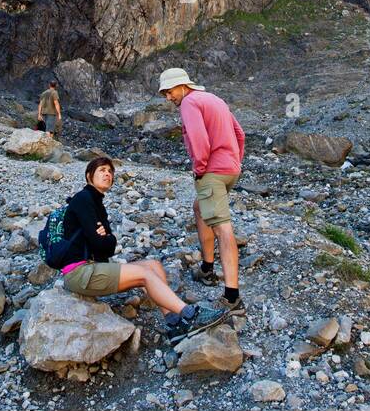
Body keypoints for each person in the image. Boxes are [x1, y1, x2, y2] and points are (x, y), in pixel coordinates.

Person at [54, 157, 227, 345]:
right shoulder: (84, 199)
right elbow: (100, 243)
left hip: (92, 268)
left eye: (110, 172)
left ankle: (174, 324)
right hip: (80, 273)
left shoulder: (96, 203)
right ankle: (190, 314)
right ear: (89, 176)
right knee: (144, 274)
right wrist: (105, 238)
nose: (107, 174)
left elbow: (109, 247)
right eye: (102, 170)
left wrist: (106, 238)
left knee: (153, 265)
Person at [158, 67, 246, 317]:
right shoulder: (214, 99)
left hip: (212, 172)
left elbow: (199, 141)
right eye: (165, 93)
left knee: (222, 227)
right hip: (230, 170)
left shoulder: (189, 103)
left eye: (170, 91)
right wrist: (235, 162)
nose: (168, 97)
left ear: (183, 86)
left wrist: (200, 169)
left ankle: (232, 297)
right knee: (200, 209)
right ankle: (208, 268)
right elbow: (240, 133)